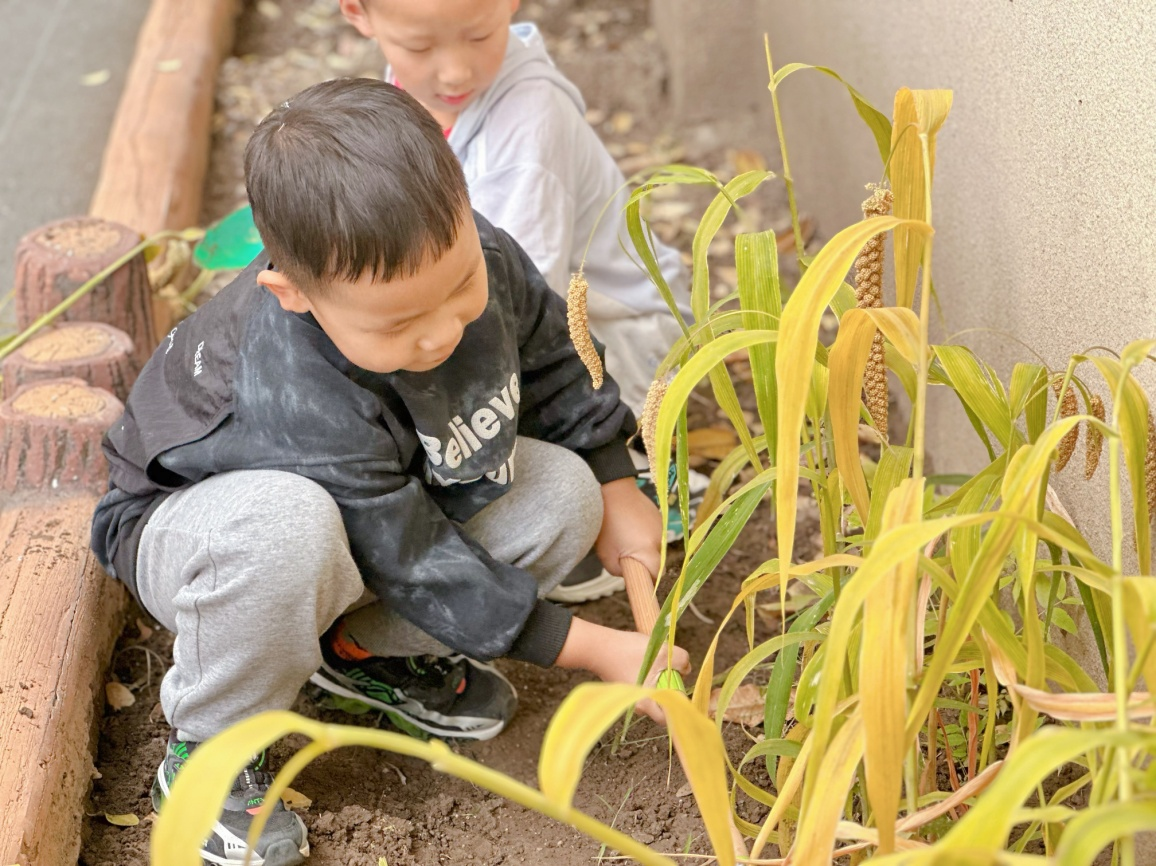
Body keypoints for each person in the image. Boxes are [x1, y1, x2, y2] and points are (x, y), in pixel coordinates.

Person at [90, 78, 689, 866]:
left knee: (563, 495)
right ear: (293, 294)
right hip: (209, 535)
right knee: (287, 534)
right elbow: (404, 552)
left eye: (461, 287)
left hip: (376, 503)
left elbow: (553, 362)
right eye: (401, 322)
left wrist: (615, 478)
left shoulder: (477, 252)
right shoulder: (292, 384)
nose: (444, 331)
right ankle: (213, 750)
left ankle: (363, 655)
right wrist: (589, 647)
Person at [337, 0, 709, 600]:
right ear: (358, 12)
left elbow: (511, 304)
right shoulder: (411, 98)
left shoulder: (526, 129)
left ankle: (633, 476)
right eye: (420, 47)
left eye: (480, 34)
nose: (454, 71)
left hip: (616, 336)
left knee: (492, 407)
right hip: (528, 314)